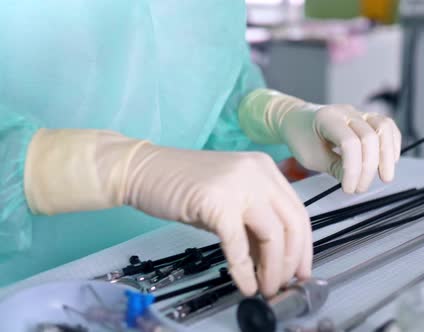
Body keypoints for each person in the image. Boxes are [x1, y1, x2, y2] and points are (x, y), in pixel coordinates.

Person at [0, 1, 401, 297]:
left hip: (163, 265)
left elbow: (206, 87)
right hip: (24, 288)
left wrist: (274, 113)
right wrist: (121, 169)